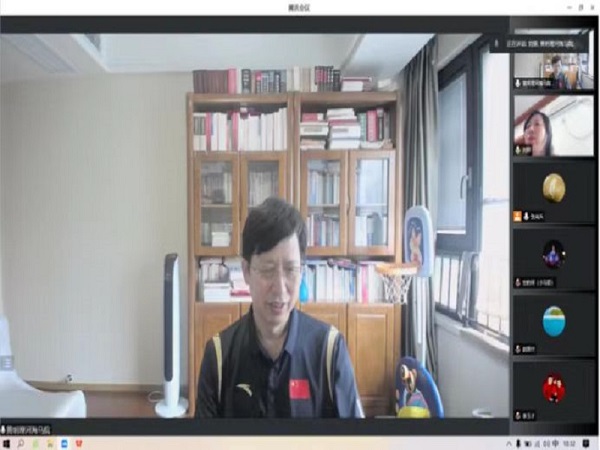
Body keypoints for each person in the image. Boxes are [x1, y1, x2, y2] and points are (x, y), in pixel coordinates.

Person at [195, 196, 364, 418]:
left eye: (291, 270)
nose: (280, 288)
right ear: (246, 271)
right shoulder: (219, 356)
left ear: (302, 271)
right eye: (267, 270)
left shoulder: (329, 351)